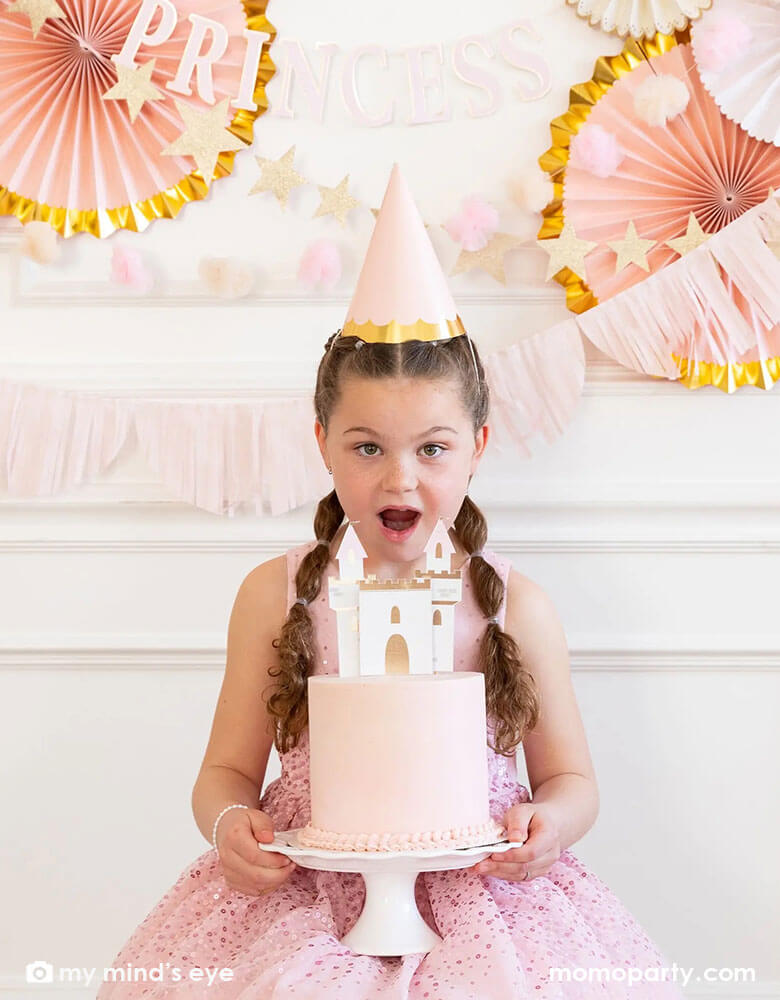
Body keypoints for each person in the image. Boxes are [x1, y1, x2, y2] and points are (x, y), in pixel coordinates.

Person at [97, 167, 686, 999]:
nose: (398, 479)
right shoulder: (276, 595)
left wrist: (548, 826)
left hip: (483, 902)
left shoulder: (516, 606)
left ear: (479, 445)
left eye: (432, 448)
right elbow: (225, 772)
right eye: (367, 447)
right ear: (323, 442)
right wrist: (233, 826)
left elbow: (572, 780)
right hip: (310, 896)